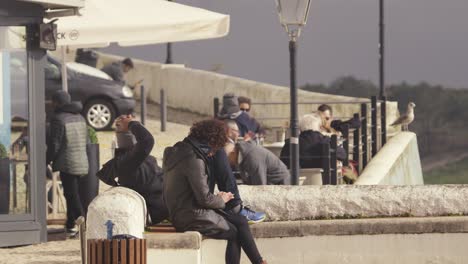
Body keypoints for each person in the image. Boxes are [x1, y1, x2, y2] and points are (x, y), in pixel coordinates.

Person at [163, 119, 267, 264]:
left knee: (241, 221)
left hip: (182, 210)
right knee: (235, 233)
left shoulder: (179, 151)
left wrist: (216, 198)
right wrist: (222, 199)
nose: (212, 154)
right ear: (210, 142)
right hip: (190, 215)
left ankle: (259, 262)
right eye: (214, 148)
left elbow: (193, 192)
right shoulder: (194, 159)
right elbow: (204, 199)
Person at [96, 115, 168, 224]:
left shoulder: (134, 160)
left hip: (165, 209)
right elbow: (147, 140)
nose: (130, 118)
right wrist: (131, 124)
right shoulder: (129, 161)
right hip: (163, 214)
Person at [46, 90, 88, 237]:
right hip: (82, 161)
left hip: (67, 163)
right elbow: (87, 141)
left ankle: (84, 225)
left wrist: (46, 160)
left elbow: (54, 144)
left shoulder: (58, 119)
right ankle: (70, 224)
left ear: (57, 102)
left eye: (53, 101)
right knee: (72, 193)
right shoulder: (80, 117)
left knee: (71, 195)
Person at [225, 120, 290, 185]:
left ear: (233, 152)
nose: (230, 163)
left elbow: (260, 185)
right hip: (272, 182)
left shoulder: (252, 157)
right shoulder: (244, 155)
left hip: (280, 183)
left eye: (229, 159)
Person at [280, 114, 346, 170]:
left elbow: (283, 165)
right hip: (323, 181)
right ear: (319, 127)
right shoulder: (326, 141)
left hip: (298, 182)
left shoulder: (290, 144)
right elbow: (343, 155)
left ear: (300, 128)